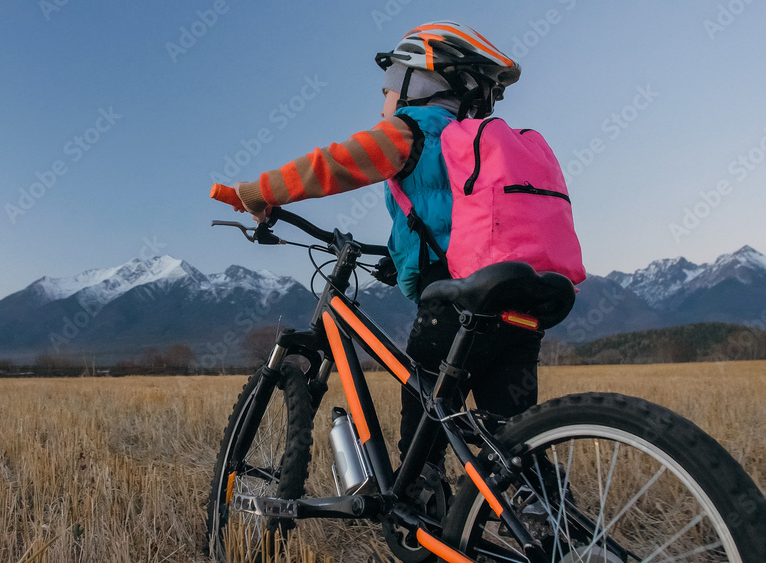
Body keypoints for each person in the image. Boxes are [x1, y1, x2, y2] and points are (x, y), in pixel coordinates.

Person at [228, 21, 543, 466]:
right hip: (519, 299)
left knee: (423, 428)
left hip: (454, 299)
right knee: (513, 442)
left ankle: (420, 505)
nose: (385, 99)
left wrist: (260, 192)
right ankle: (546, 516)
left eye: (391, 84)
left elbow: (333, 164)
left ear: (421, 81)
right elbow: (454, 223)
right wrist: (400, 260)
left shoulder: (415, 127)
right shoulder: (481, 147)